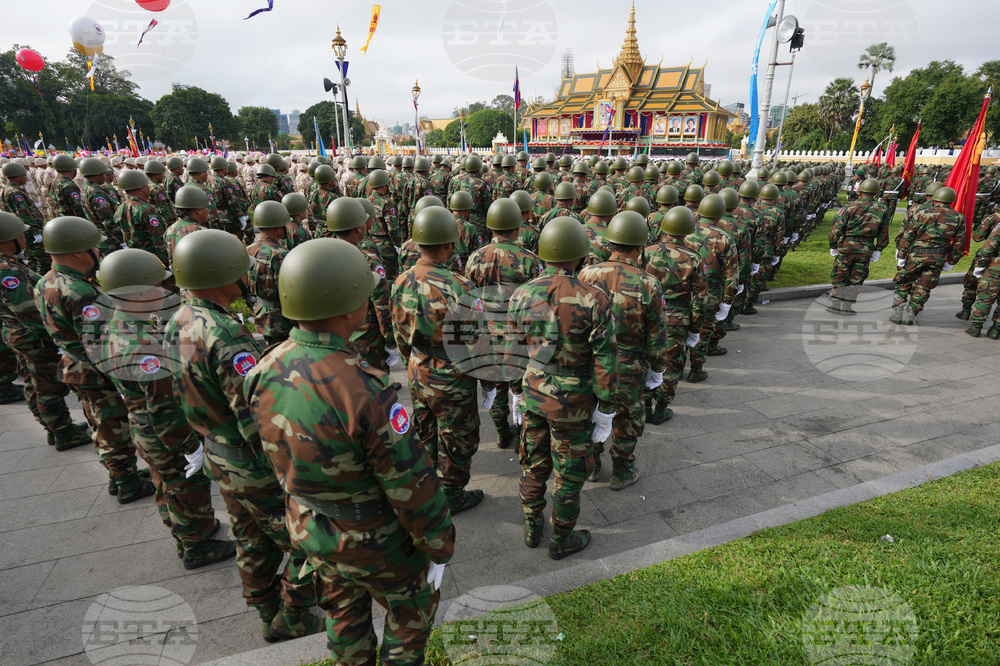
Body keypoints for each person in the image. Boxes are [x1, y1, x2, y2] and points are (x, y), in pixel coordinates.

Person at [247, 238, 454, 665]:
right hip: (373, 538)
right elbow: (410, 484)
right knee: (410, 612)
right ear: (347, 308)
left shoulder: (265, 366)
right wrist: (439, 544)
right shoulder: (366, 389)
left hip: (311, 527)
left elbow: (262, 446)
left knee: (343, 613)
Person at [164, 229, 319, 641]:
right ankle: (291, 615)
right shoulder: (225, 334)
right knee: (310, 544)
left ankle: (266, 608)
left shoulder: (179, 319)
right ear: (223, 274)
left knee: (251, 537)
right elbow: (251, 414)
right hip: (249, 461)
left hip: (217, 451)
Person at [96, 249, 234, 567]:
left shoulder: (118, 325)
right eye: (157, 286)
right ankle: (196, 546)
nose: (164, 291)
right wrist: (189, 446)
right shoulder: (143, 345)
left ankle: (188, 530)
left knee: (165, 483)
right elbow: (164, 405)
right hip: (164, 432)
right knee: (186, 484)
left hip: (143, 426)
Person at [507, 217, 616, 558]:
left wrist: (515, 391)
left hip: (534, 391)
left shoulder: (522, 294)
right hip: (575, 401)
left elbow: (510, 352)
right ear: (582, 256)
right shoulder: (595, 298)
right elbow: (605, 361)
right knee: (569, 472)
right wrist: (606, 409)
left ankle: (531, 525)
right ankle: (562, 538)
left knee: (532, 462)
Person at [35, 216, 151, 501]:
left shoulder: (47, 280)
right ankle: (127, 482)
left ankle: (119, 473)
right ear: (77, 251)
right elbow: (102, 344)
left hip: (75, 365)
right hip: (95, 370)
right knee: (113, 424)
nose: (98, 252)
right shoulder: (81, 293)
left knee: (99, 420)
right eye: (93, 247)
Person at [390, 206, 486, 515]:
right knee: (458, 438)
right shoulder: (460, 287)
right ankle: (453, 494)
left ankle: (428, 484)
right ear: (450, 244)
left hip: (418, 369)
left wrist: (413, 362)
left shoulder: (400, 281)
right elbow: (476, 343)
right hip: (452, 376)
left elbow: (399, 334)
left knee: (426, 429)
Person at [578, 211, 665, 489]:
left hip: (593, 362)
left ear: (610, 242)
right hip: (629, 366)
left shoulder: (586, 273)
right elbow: (656, 337)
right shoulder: (648, 283)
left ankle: (592, 465)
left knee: (593, 411)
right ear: (640, 246)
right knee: (626, 419)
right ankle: (622, 471)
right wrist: (657, 369)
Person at [0, 212, 89, 448]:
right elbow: (29, 313)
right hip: (32, 338)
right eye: (21, 234)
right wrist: (56, 336)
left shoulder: (9, 264)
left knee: (34, 381)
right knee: (47, 386)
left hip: (17, 335)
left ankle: (52, 427)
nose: (25, 237)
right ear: (8, 239)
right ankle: (62, 432)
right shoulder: (8, 271)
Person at [465, 199, 543, 451]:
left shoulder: (474, 257)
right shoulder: (529, 259)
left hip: (487, 333)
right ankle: (523, 432)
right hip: (518, 334)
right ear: (518, 227)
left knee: (496, 386)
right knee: (522, 385)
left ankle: (501, 432)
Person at [642, 206, 707, 423]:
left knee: (646, 360)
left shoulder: (646, 251)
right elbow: (699, 299)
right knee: (671, 365)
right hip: (677, 319)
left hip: (648, 316)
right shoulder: (694, 258)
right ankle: (661, 409)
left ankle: (644, 405)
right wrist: (695, 329)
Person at [324, 197, 399, 372]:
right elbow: (382, 303)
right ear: (359, 227)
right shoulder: (368, 260)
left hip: (334, 335)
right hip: (367, 336)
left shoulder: (323, 256)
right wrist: (390, 340)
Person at [891, 187, 966, 326]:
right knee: (924, 287)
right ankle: (911, 316)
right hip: (938, 258)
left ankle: (897, 314)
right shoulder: (958, 217)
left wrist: (901, 257)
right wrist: (951, 262)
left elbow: (907, 237)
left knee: (903, 282)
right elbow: (959, 244)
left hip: (916, 256)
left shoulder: (922, 213)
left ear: (935, 198)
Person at [828, 178, 890, 315]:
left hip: (846, 245)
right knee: (857, 277)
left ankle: (835, 303)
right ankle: (847, 306)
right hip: (866, 247)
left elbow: (836, 229)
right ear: (875, 193)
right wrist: (879, 249)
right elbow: (883, 233)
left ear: (860, 191)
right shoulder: (883, 209)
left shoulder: (849, 207)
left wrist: (833, 245)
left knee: (840, 273)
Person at [247, 201, 293, 348]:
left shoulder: (249, 249)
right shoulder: (279, 254)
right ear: (277, 227)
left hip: (261, 311)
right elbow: (289, 291)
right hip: (282, 319)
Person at [0, 161, 48, 273]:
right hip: (30, 232)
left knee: (32, 259)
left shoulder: (10, 190)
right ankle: (40, 281)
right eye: (24, 175)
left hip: (24, 230)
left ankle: (30, 278)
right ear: (17, 176)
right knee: (44, 260)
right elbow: (23, 214)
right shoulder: (15, 192)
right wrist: (35, 231)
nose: (26, 177)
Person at [114, 170, 169, 265]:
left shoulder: (121, 208)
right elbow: (159, 239)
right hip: (153, 258)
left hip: (135, 257)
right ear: (141, 189)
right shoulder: (146, 210)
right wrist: (166, 261)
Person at [966, 216, 1000, 338]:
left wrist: (979, 267)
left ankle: (976, 328)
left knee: (986, 296)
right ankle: (996, 330)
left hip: (995, 269)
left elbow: (989, 246)